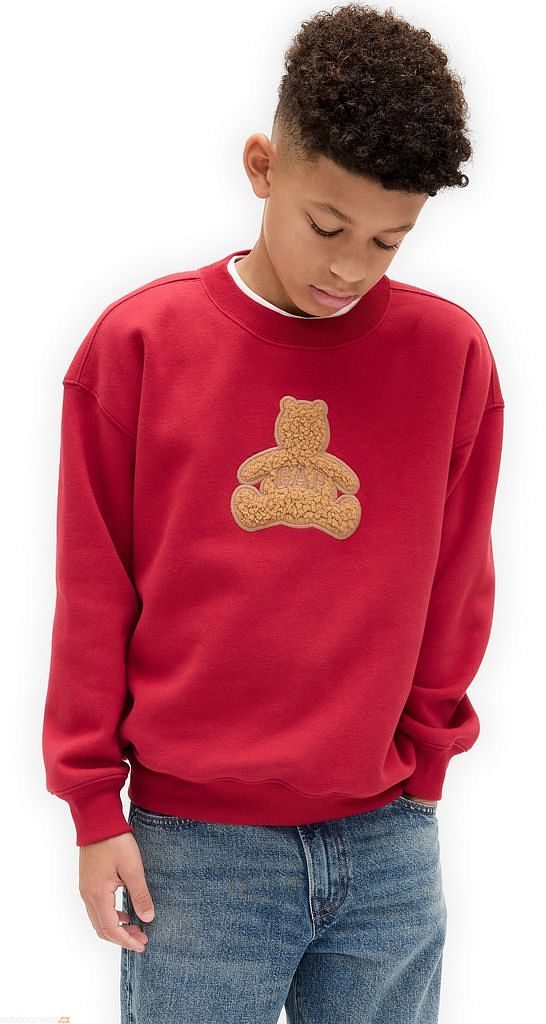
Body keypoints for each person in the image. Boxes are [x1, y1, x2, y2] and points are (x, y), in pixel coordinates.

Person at [41, 4, 505, 1022]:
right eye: (327, 226)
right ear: (263, 166)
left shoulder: (450, 359)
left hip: (386, 843)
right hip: (195, 851)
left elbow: (458, 583)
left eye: (388, 240)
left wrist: (424, 777)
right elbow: (92, 591)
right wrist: (91, 805)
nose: (350, 267)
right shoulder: (140, 346)